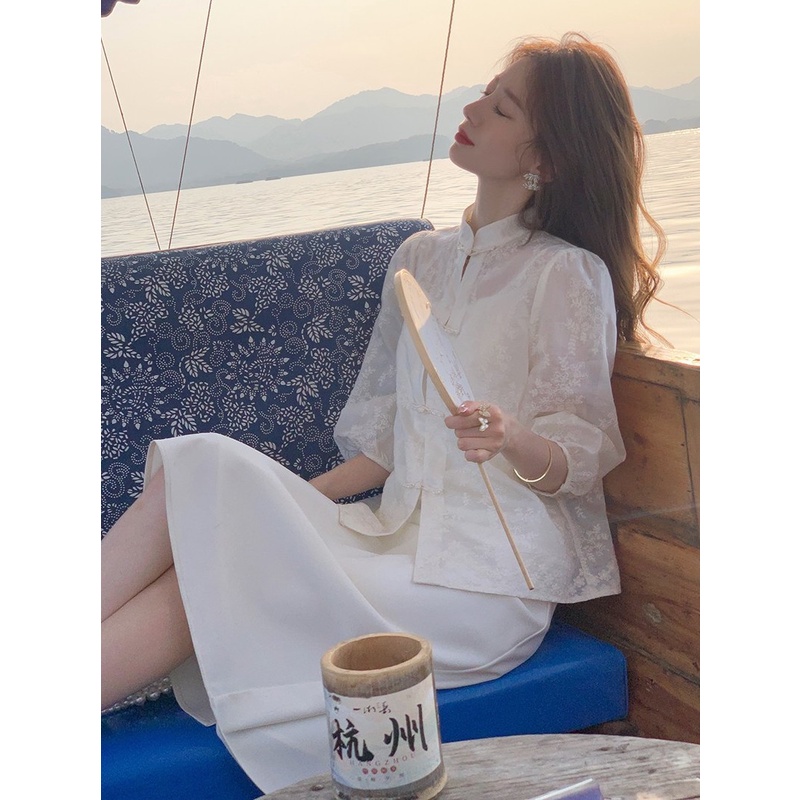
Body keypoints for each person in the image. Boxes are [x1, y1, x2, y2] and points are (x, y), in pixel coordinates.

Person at [101, 32, 664, 794]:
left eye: (501, 109)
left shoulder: (566, 274)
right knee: (198, 472)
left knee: (201, 587)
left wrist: (508, 437)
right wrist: (286, 501)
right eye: (485, 93)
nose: (473, 110)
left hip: (488, 584)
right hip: (393, 537)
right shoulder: (419, 259)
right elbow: (384, 442)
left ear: (548, 161)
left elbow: (581, 455)